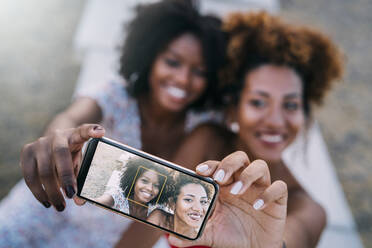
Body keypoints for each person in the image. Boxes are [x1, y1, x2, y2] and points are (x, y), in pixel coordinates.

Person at [0, 0, 227, 247]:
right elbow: (70, 119)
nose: (183, 79)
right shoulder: (116, 95)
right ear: (149, 56)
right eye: (172, 62)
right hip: (46, 209)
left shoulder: (204, 127)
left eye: (199, 71)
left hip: (106, 239)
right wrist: (58, 137)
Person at [171, 11, 344, 248]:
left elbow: (292, 237)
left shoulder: (308, 209)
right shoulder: (206, 142)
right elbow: (146, 223)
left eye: (291, 105)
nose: (274, 121)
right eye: (258, 102)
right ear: (234, 107)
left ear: (304, 114)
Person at [96, 158, 171, 219]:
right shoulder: (118, 197)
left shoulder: (157, 209)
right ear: (133, 180)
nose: (150, 188)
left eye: (156, 185)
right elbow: (100, 201)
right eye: (144, 181)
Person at [147, 174, 212, 238]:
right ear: (172, 203)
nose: (198, 208)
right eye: (189, 200)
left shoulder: (201, 240)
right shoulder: (159, 217)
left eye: (203, 202)